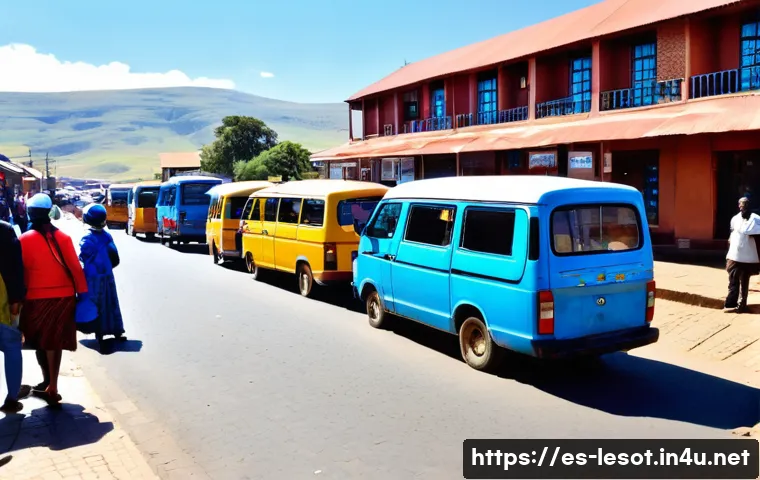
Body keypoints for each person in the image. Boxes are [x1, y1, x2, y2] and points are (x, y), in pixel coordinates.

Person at [19, 193, 88, 405]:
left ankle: (48, 382)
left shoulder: (23, 240)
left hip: (35, 299)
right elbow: (75, 268)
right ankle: (53, 384)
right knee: (54, 342)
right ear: (49, 212)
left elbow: (19, 272)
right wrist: (82, 294)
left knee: (40, 342)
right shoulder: (63, 238)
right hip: (64, 297)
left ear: (30, 213)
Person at [79, 204, 125, 345]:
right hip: (107, 276)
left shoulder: (87, 238)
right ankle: (116, 330)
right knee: (110, 302)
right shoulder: (106, 236)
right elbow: (115, 257)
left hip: (92, 278)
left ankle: (99, 332)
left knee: (95, 304)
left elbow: (82, 258)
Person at [0, 219, 31, 412]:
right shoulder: (4, 230)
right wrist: (17, 299)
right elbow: (15, 269)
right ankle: (12, 399)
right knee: (11, 347)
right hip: (2, 300)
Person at [725, 197, 760, 313]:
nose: (742, 208)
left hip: (749, 256)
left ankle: (742, 304)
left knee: (744, 280)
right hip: (735, 255)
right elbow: (732, 233)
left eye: (745, 206)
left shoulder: (756, 220)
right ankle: (731, 303)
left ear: (749, 206)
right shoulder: (735, 219)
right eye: (741, 206)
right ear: (738, 206)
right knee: (733, 279)